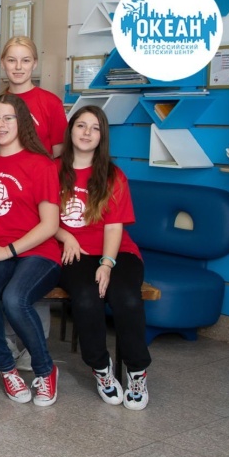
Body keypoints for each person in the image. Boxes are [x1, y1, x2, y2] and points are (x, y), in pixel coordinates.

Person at [56, 106, 150, 410]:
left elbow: (113, 227)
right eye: (81, 125)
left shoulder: (113, 175)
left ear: (102, 136)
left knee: (126, 298)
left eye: (95, 128)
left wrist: (107, 264)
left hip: (118, 251)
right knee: (86, 299)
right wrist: (65, 235)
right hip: (74, 252)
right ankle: (101, 368)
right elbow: (41, 217)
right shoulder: (51, 170)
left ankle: (137, 371)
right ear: (70, 130)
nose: (87, 132)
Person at [0, 94, 61, 406]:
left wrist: (7, 250)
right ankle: (7, 368)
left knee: (14, 299)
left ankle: (45, 370)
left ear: (22, 122)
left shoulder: (41, 164)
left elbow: (50, 225)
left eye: (8, 118)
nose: (1, 124)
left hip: (38, 251)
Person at [0, 35, 67, 158]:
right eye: (11, 60)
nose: (18, 67)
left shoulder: (51, 103)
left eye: (25, 61)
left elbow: (60, 157)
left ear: (34, 64)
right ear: (3, 63)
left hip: (40, 170)